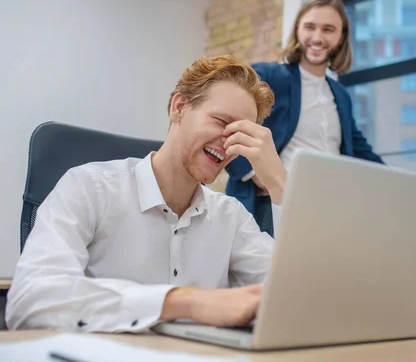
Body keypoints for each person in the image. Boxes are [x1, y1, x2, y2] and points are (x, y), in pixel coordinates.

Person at [6, 55, 287, 333]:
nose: (228, 143)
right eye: (220, 121)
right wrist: (185, 302)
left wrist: (278, 183)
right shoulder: (88, 187)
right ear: (179, 107)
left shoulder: (231, 217)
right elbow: (29, 299)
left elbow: (299, 294)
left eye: (241, 133)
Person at [226, 0, 383, 236]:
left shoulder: (340, 95)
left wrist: (405, 187)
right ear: (298, 29)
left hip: (329, 211)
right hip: (276, 207)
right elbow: (229, 119)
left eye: (328, 29)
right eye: (310, 27)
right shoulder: (270, 75)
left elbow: (360, 150)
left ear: (341, 37)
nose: (318, 37)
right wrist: (256, 174)